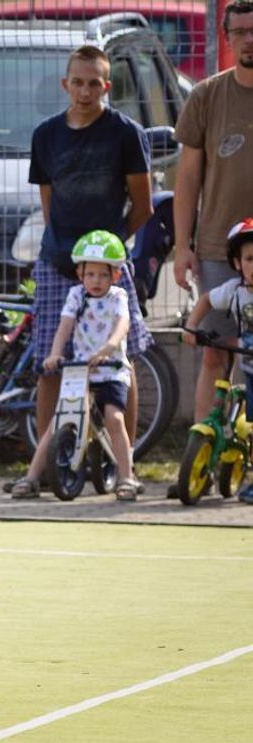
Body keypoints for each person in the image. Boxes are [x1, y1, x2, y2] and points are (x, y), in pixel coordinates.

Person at [10, 45, 153, 499]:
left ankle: (122, 466)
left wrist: (105, 256)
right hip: (57, 263)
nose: (86, 90)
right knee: (50, 365)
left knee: (120, 362)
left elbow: (144, 205)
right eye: (78, 81)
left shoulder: (126, 133)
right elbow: (48, 201)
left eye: (95, 83)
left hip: (108, 266)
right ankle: (49, 464)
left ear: (106, 87)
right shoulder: (46, 135)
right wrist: (69, 252)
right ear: (65, 84)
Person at [174, 1, 253, 424]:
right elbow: (186, 178)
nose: (248, 40)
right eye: (239, 31)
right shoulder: (206, 96)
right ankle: (204, 449)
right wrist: (183, 246)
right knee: (215, 355)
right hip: (217, 248)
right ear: (227, 38)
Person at [42, 231, 140, 501]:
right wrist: (54, 354)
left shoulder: (118, 296)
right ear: (79, 274)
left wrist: (109, 347)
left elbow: (122, 324)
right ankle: (30, 477)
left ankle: (127, 476)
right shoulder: (76, 295)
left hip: (111, 370)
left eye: (103, 275)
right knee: (57, 421)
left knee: (114, 417)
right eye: (90, 274)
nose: (96, 281)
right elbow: (64, 327)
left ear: (115, 275)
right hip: (81, 371)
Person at [183, 218, 253, 502]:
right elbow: (207, 300)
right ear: (237, 263)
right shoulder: (235, 291)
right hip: (247, 365)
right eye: (250, 258)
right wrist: (192, 326)